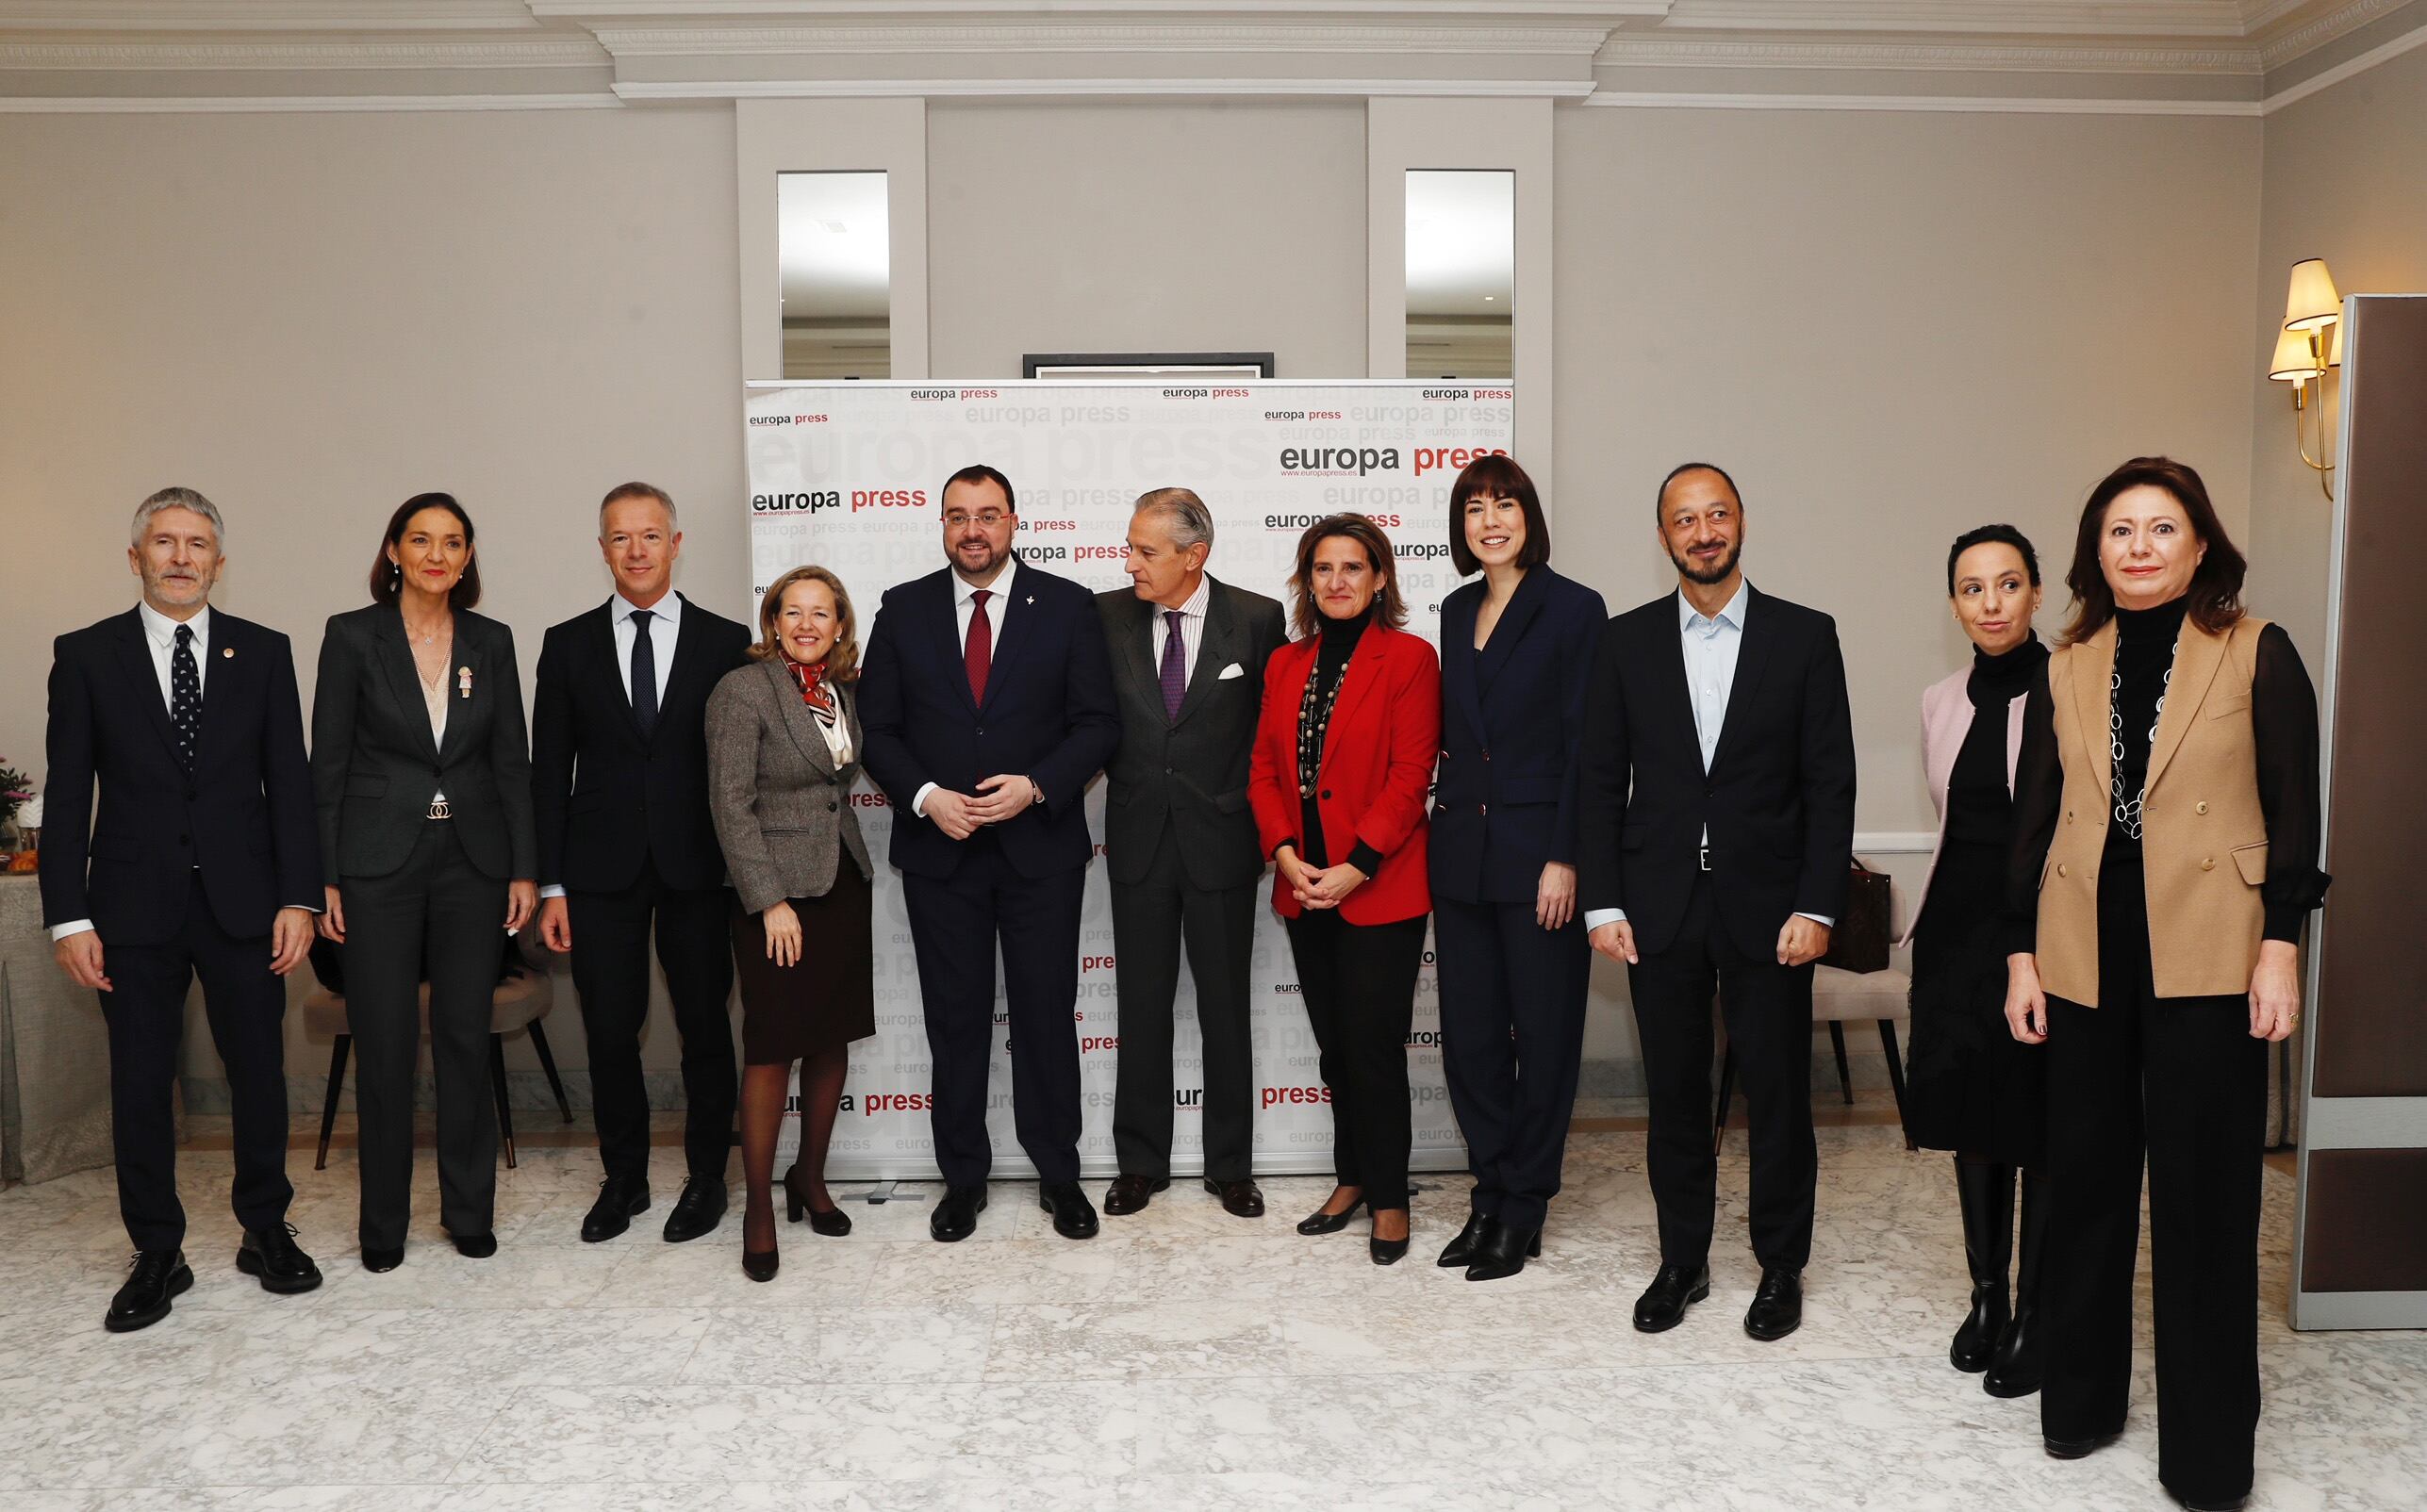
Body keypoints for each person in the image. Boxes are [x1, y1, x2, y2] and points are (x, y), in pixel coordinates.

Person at [2005, 457, 2326, 1512]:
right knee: (2087, 1185)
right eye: (2120, 529)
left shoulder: (2255, 650)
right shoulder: (2067, 660)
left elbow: (2292, 807)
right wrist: (2021, 950)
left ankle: (2208, 1455)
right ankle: (2082, 1402)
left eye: (2162, 527)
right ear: (2095, 550)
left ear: (2200, 545)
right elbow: (2037, 814)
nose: (2140, 546)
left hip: (2210, 955)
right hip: (2085, 954)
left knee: (2205, 1203)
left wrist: (2280, 942)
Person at [1577, 462, 1856, 1340]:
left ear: (1741, 523)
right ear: (1663, 537)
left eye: (1718, 515)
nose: (1704, 532)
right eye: (1685, 520)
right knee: (1674, 1096)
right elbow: (1595, 784)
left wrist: (1817, 905)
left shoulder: (1805, 636)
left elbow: (1830, 783)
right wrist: (1601, 903)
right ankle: (1682, 1261)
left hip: (1772, 911)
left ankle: (1781, 1266)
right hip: (1657, 910)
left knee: (1776, 1094)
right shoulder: (1623, 644)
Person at [41, 486, 323, 1331]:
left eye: (197, 544)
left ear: (219, 562)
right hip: (128, 912)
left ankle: (265, 1229)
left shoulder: (264, 653)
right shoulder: (88, 655)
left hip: (245, 906)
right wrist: (68, 916)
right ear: (136, 557)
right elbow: (67, 797)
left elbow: (291, 788)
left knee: (259, 1078)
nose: (180, 558)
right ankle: (158, 1250)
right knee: (138, 1083)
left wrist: (299, 897)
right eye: (164, 542)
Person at [855, 465, 1120, 1242]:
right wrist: (928, 796)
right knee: (956, 1021)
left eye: (988, 515)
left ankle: (1059, 1176)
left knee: (1045, 1017)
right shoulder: (902, 610)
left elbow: (1098, 724)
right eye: (958, 516)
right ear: (942, 526)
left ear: (1014, 523)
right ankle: (962, 1178)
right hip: (942, 852)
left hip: (1040, 850)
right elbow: (879, 729)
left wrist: (1037, 786)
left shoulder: (1069, 607)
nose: (973, 529)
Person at [311, 492, 537, 1272]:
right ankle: (383, 1227)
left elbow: (512, 760)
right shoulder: (350, 638)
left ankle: (469, 1211)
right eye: (421, 540)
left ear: (468, 558)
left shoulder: (493, 640)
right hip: (376, 866)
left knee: (465, 1039)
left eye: (452, 542)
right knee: (384, 1044)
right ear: (394, 552)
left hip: (473, 865)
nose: (436, 554)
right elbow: (328, 764)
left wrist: (524, 868)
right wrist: (326, 878)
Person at [531, 482, 751, 1245]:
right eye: (620, 538)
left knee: (704, 1028)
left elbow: (741, 766)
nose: (636, 551)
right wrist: (552, 883)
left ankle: (706, 1181)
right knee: (609, 1032)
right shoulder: (567, 644)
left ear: (676, 543)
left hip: (699, 868)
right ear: (602, 550)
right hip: (598, 873)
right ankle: (622, 1179)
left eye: (650, 536)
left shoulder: (729, 643)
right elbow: (547, 772)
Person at [1429, 455, 1607, 1282]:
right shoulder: (1454, 607)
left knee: (1543, 1037)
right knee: (1469, 1043)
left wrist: (1567, 856)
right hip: (1460, 857)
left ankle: (1526, 1203)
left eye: (1504, 504)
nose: (1489, 520)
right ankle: (1490, 1192)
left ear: (1529, 515)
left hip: (1541, 859)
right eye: (1474, 508)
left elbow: (1588, 750)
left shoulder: (1575, 609)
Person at [1247, 514, 1441, 1265]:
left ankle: (1391, 1199)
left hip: (1380, 886)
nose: (1337, 582)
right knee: (1335, 1048)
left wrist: (1357, 863)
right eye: (1322, 569)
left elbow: (1410, 775)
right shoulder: (1286, 664)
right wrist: (1287, 855)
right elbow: (1264, 771)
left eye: (1352, 568)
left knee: (1373, 1048)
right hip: (1304, 885)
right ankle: (1352, 1177)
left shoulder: (1412, 659)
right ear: (1306, 581)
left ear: (1380, 577)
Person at [1096, 488, 1288, 1221]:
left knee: (1225, 1010)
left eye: (1147, 551)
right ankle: (1139, 1163)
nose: (1132, 563)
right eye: (1131, 547)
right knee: (1141, 1009)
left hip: (1222, 841)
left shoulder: (1258, 618)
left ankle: (1231, 1167)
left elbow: (1271, 733)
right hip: (1139, 840)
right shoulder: (1106, 615)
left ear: (1193, 555)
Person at [1904, 523, 2053, 1395]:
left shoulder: (2070, 685)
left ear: (2036, 593)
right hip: (1955, 932)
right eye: (1972, 587)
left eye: (2007, 584)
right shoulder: (1939, 697)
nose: (1990, 603)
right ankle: (1987, 1297)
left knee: (2035, 1119)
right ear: (1954, 601)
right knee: (1970, 1120)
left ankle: (2036, 1310)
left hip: (2037, 932)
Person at [706, 566, 877, 1281]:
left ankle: (809, 1178)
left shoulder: (839, 691)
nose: (807, 624)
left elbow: (837, 787)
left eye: (822, 613)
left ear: (840, 626)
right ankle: (759, 1208)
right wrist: (768, 899)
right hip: (775, 898)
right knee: (774, 1046)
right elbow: (729, 803)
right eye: (793, 612)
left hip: (840, 883)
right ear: (772, 622)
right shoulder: (742, 691)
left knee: (831, 1035)